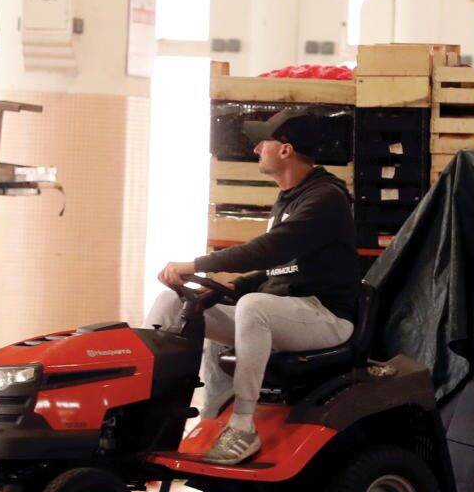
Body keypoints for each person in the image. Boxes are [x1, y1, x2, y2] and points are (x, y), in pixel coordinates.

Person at [149, 109, 361, 466]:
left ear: (286, 150)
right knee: (172, 303)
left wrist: (196, 265)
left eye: (264, 142)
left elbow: (269, 250)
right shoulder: (289, 199)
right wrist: (226, 287)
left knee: (253, 306)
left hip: (324, 317)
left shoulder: (325, 198)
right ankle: (150, 415)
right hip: (283, 313)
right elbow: (278, 268)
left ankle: (243, 426)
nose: (256, 149)